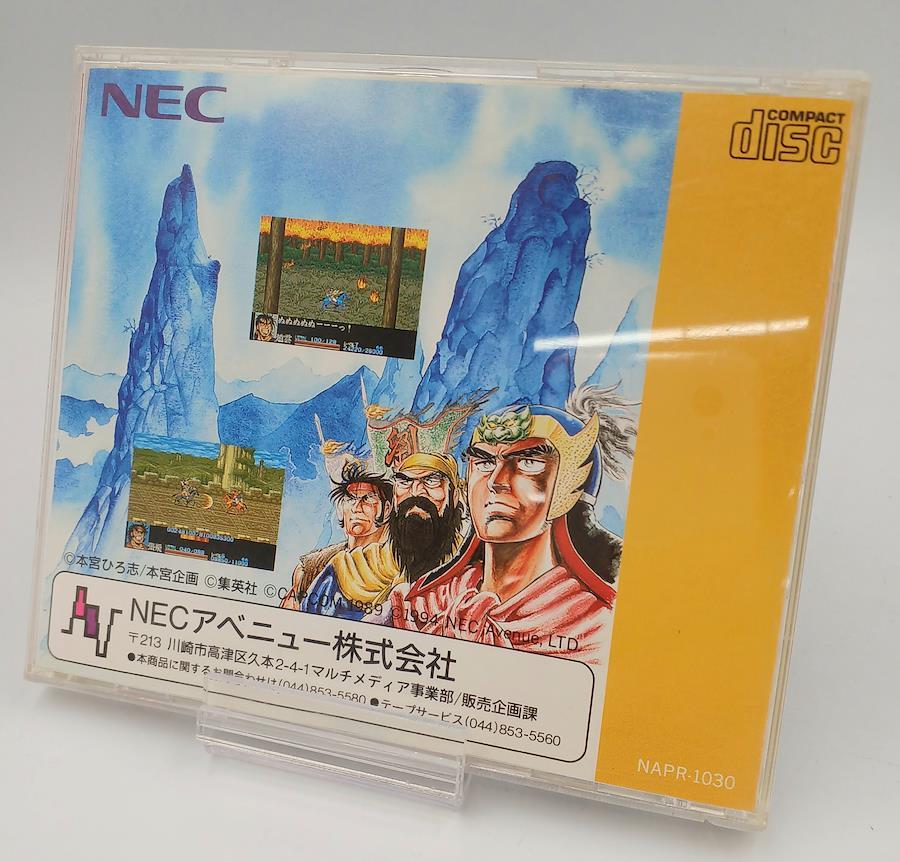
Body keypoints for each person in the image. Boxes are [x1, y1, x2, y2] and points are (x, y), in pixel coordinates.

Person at [383, 386, 635, 663]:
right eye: (484, 461)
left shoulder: (596, 627)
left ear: (566, 486)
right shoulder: (426, 601)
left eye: (528, 462)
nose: (496, 481)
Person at [299, 452, 467, 621]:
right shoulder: (349, 570)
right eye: (405, 482)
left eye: (431, 481)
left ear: (454, 497)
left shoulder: (471, 570)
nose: (416, 492)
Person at [280, 461, 393, 610]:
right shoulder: (310, 568)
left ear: (387, 509)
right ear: (340, 510)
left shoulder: (395, 564)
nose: (356, 507)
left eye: (368, 499)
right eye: (350, 499)